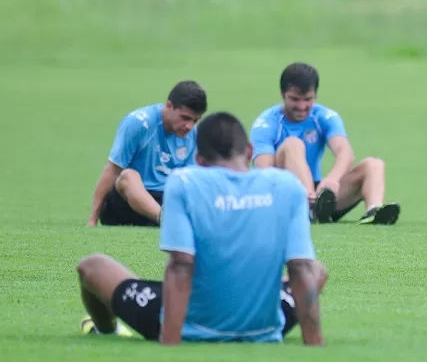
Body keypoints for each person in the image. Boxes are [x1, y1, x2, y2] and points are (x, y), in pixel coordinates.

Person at [77, 111, 328, 346]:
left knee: (92, 266)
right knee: (316, 269)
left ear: (198, 159)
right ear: (249, 150)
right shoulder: (287, 185)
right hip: (262, 330)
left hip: (192, 326)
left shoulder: (185, 182)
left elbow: (181, 265)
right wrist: (314, 345)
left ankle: (105, 330)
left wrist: (170, 342)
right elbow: (301, 268)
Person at [251, 62, 400, 225]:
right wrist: (300, 191)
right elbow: (264, 170)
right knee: (293, 144)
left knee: (374, 165)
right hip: (285, 193)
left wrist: (332, 180)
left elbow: (345, 152)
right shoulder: (266, 123)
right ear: (282, 94)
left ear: (315, 95)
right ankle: (308, 208)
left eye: (308, 99)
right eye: (294, 99)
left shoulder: (324, 116)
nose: (302, 106)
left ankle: (373, 211)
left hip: (319, 193)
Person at [86, 80, 208, 227]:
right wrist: (92, 220)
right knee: (128, 175)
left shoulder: (192, 134)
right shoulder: (139, 123)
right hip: (127, 203)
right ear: (169, 106)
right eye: (185, 118)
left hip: (164, 201)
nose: (189, 126)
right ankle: (167, 221)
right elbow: (113, 170)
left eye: (195, 121)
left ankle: (169, 219)